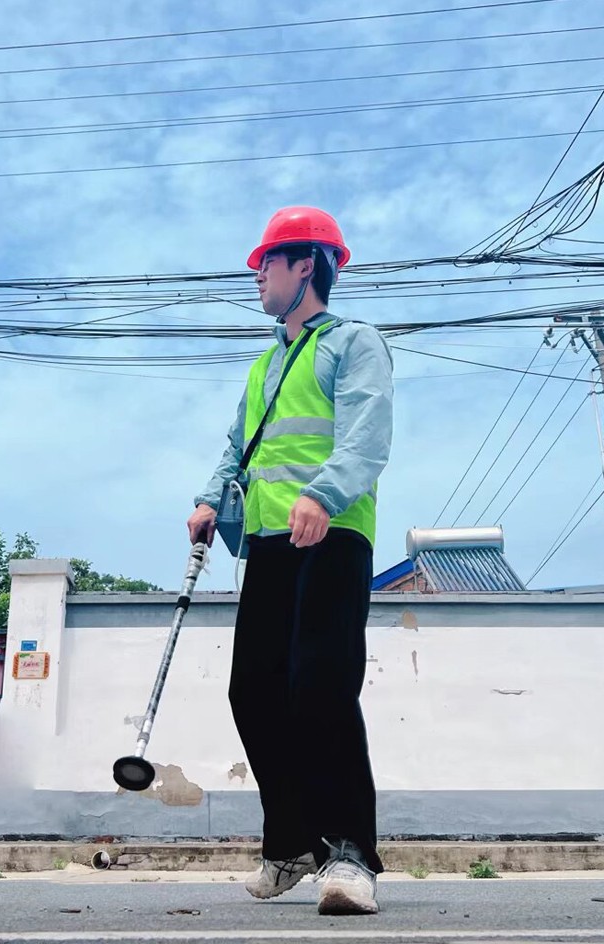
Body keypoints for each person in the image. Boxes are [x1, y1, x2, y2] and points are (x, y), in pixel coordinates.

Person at [187, 206, 393, 916]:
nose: (258, 277)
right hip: (270, 543)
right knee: (253, 690)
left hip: (332, 532)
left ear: (306, 264)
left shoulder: (355, 342)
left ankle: (350, 852)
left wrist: (323, 495)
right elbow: (237, 447)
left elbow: (366, 435)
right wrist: (210, 497)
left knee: (321, 685)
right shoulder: (265, 364)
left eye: (266, 263)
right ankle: (293, 844)